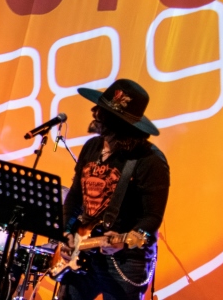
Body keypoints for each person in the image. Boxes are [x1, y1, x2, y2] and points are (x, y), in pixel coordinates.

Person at [58, 79, 169, 300]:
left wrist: (124, 240)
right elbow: (75, 196)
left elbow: (153, 217)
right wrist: (67, 232)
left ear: (121, 123)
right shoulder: (92, 147)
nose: (96, 115)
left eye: (104, 113)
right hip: (85, 251)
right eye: (99, 109)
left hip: (127, 261)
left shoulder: (150, 160)